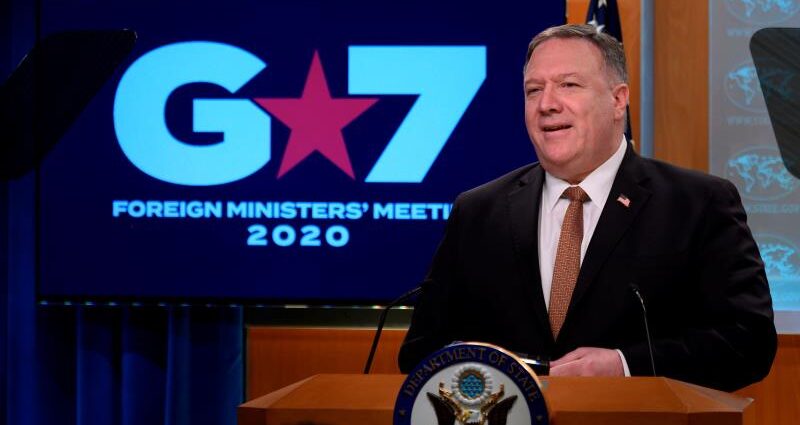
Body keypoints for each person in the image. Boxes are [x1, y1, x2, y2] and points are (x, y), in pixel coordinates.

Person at [398, 24, 777, 392]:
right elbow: (420, 352)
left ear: (618, 99)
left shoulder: (697, 204)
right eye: (533, 90)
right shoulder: (479, 211)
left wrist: (626, 366)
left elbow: (748, 342)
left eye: (568, 85)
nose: (547, 104)